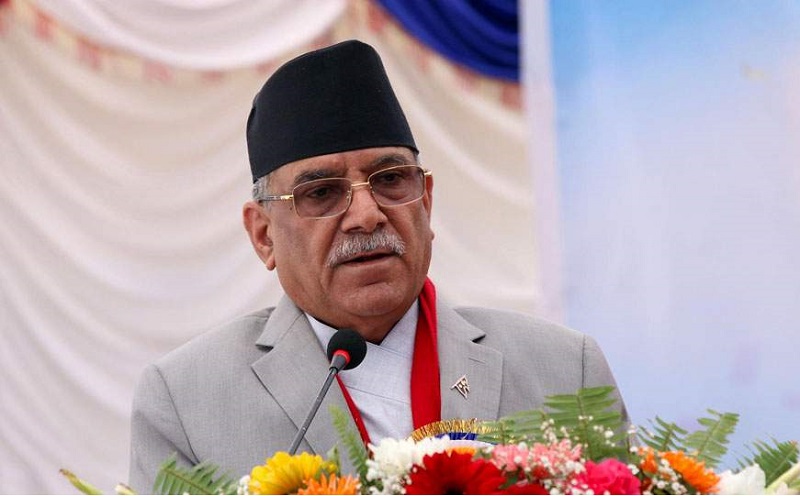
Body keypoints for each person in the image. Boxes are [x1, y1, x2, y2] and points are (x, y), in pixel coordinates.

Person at [128, 39, 625, 491]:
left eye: (390, 179)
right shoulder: (186, 400)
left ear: (425, 201)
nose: (366, 215)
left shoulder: (563, 368)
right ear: (263, 235)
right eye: (321, 193)